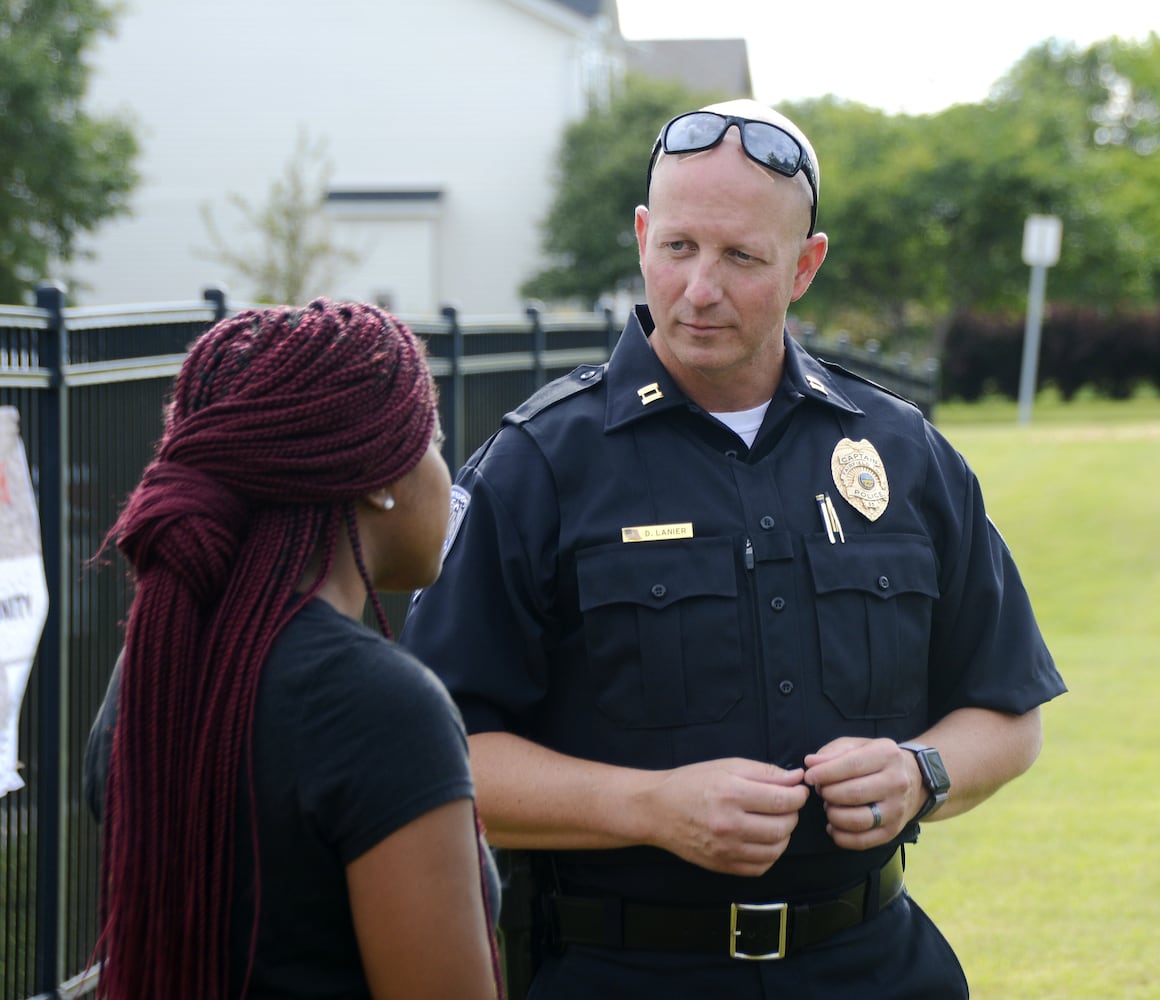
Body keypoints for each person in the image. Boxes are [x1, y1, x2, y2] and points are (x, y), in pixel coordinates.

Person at [401, 99, 1066, 998]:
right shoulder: (539, 465)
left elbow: (1006, 709)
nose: (699, 288)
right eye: (677, 248)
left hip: (874, 965)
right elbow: (439, 755)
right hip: (622, 971)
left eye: (741, 257)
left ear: (805, 265)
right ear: (642, 237)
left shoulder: (901, 454)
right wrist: (650, 807)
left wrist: (922, 772)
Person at [86, 300, 503, 999]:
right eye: (429, 437)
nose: (444, 468)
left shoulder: (152, 668)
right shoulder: (379, 709)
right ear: (376, 480)